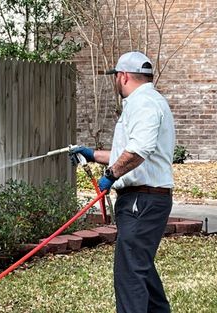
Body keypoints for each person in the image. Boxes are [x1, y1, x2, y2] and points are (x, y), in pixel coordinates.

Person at [71, 51, 175, 313]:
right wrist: (93, 155)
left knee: (130, 274)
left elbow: (138, 151)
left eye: (116, 77)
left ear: (124, 76)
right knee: (141, 269)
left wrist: (110, 175)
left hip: (142, 199)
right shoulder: (150, 101)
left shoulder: (143, 104)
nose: (116, 81)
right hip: (145, 198)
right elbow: (135, 151)